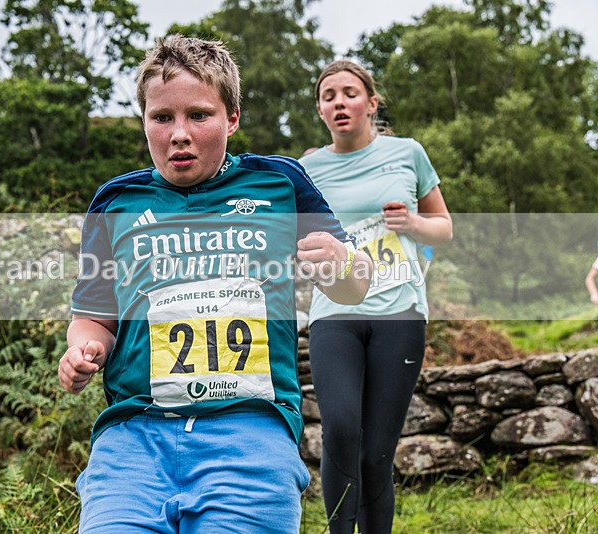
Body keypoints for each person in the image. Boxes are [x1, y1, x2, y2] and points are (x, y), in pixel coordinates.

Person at [58, 36, 372, 533]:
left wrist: (341, 261)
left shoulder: (280, 184)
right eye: (162, 118)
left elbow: (355, 284)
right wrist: (83, 350)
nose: (179, 134)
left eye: (199, 115)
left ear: (232, 118)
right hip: (133, 439)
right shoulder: (115, 201)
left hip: (250, 431)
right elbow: (94, 316)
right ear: (144, 120)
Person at [299, 59, 453, 533]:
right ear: (321, 110)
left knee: (377, 450)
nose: (339, 102)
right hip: (334, 313)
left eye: (349, 92)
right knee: (341, 429)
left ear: (371, 102)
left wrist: (412, 223)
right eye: (329, 96)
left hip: (400, 313)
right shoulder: (308, 168)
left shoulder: (408, 154)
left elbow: (443, 228)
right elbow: (297, 240)